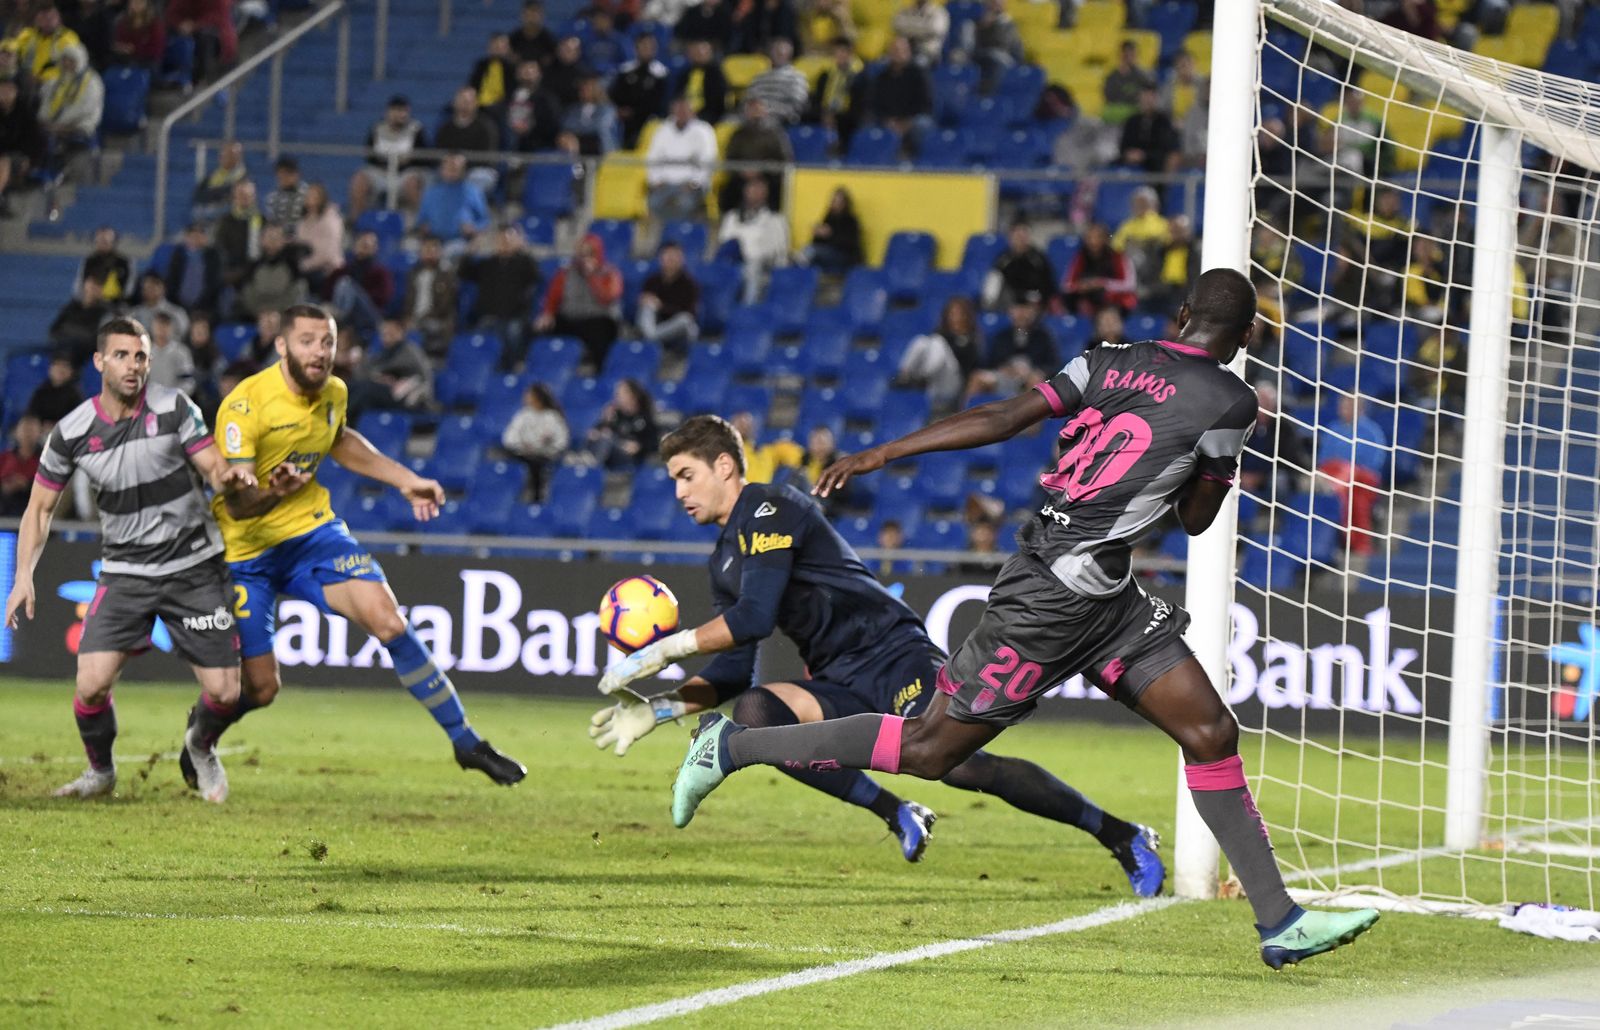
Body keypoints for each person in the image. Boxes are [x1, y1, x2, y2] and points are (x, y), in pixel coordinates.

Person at [660, 270, 1382, 969]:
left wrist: (885, 450)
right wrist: (1202, 470)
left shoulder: (1110, 359)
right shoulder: (1232, 401)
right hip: (1053, 599)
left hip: (1106, 595)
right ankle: (733, 747)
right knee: (932, 750)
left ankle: (1279, 920)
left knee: (1209, 730)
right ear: (1250, 331)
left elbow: (1004, 417)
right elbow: (1196, 520)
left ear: (1184, 312)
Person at [592, 414, 1167, 887]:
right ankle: (897, 811)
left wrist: (668, 648)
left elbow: (754, 617)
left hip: (895, 656)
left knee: (963, 768)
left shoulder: (773, 508)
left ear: (724, 466)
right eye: (672, 480)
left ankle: (1120, 833)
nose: (678, 492)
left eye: (686, 475)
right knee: (757, 714)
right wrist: (661, 708)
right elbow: (737, 668)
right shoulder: (724, 562)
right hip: (838, 677)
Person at [184, 304, 526, 791]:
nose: (320, 352)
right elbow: (235, 505)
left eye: (327, 341)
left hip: (312, 536)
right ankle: (200, 740)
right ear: (281, 346)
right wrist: (273, 491)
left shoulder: (335, 392)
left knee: (389, 620)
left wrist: (405, 480)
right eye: (307, 341)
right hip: (248, 554)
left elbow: (339, 440)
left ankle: (466, 741)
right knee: (260, 689)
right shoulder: (245, 406)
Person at [5, 318, 256, 802]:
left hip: (193, 567)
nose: (133, 365)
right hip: (125, 573)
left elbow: (213, 468)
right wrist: (23, 576)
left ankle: (200, 746)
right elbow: (39, 508)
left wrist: (231, 479)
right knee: (91, 685)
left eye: (140, 356)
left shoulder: (174, 407)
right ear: (99, 362)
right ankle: (100, 772)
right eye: (121, 355)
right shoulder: (73, 431)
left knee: (226, 693)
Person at [535, 232, 623, 369]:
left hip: (598, 318)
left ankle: (600, 370)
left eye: (590, 253)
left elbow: (609, 296)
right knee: (542, 329)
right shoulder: (565, 273)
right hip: (571, 317)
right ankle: (550, 372)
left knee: (600, 331)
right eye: (582, 254)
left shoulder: (610, 273)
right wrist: (548, 313)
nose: (585, 258)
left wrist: (593, 277)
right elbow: (552, 297)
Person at [460, 223, 542, 366]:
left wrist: (524, 250)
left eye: (508, 240)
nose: (504, 243)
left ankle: (513, 367)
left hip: (513, 316)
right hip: (489, 316)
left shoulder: (523, 263)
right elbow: (463, 273)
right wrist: (469, 252)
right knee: (477, 339)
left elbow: (536, 277)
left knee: (512, 334)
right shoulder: (488, 264)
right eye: (501, 240)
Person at [1314, 394, 1387, 554]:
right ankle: (1344, 542)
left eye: (1347, 406)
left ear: (1360, 408)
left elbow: (1375, 462)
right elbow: (1323, 460)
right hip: (1336, 477)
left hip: (1363, 479)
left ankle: (1335, 489)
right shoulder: (1333, 429)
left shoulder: (1372, 431)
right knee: (1353, 497)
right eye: (1342, 406)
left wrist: (1350, 470)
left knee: (1349, 479)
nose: (1343, 409)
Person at [348, 95, 427, 221]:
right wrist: (384, 163)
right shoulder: (377, 128)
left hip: (404, 173)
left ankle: (420, 223)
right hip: (380, 172)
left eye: (403, 111)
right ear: (388, 112)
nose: (399, 115)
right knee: (359, 180)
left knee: (412, 184)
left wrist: (404, 162)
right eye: (396, 111)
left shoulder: (416, 129)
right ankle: (356, 220)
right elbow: (369, 155)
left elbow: (423, 156)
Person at [897, 295, 982, 411]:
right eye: (952, 314)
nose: (956, 318)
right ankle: (905, 375)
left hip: (955, 384)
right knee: (921, 341)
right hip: (934, 384)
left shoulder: (972, 338)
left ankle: (920, 377)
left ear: (967, 316)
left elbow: (971, 362)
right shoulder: (942, 334)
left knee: (938, 343)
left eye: (959, 314)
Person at [646, 95, 718, 223]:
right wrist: (656, 180)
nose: (681, 113)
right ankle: (670, 231)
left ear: (692, 111)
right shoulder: (663, 130)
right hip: (665, 183)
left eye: (684, 110)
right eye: (678, 110)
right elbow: (653, 157)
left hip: (690, 184)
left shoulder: (703, 130)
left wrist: (695, 183)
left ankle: (679, 233)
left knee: (684, 204)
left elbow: (708, 159)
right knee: (654, 203)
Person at [718, 176, 789, 303]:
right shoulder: (732, 217)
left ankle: (748, 310)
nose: (755, 193)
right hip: (733, 263)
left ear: (766, 193)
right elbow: (725, 242)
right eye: (752, 189)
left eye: (760, 190)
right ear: (745, 192)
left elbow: (780, 250)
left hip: (762, 265)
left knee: (752, 269)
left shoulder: (775, 219)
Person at [972, 289, 1056, 394]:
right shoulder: (1001, 336)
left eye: (1025, 309)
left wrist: (1034, 371)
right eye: (1017, 309)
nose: (1021, 314)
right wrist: (1002, 368)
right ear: (1010, 312)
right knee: (977, 378)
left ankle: (1027, 410)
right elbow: (988, 363)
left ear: (1033, 312)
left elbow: (1052, 364)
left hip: (1029, 376)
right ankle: (966, 409)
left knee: (1036, 380)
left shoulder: (1042, 337)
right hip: (1004, 376)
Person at [718, 96, 789, 215]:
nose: (755, 113)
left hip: (768, 175)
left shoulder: (775, 134)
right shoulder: (738, 134)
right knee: (728, 190)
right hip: (742, 174)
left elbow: (784, 159)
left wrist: (762, 169)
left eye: (758, 109)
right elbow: (730, 157)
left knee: (778, 190)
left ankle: (774, 219)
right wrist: (742, 170)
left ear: (764, 111)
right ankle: (730, 222)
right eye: (752, 110)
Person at [414, 153, 490, 260]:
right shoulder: (431, 192)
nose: (452, 171)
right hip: (433, 241)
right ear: (442, 169)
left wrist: (474, 228)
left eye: (456, 168)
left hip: (459, 241)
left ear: (463, 170)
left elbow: (484, 221)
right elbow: (421, 221)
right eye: (448, 167)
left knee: (452, 252)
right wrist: (423, 228)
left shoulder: (472, 192)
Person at [501, 383, 569, 500]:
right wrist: (521, 445)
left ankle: (537, 497)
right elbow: (509, 437)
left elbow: (562, 441)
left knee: (537, 464)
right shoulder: (523, 415)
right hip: (523, 453)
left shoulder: (552, 417)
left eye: (529, 394)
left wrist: (546, 445)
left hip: (545, 454)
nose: (526, 397)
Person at [433, 87, 501, 196]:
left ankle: (466, 212)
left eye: (469, 101)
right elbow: (439, 152)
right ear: (455, 103)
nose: (465, 104)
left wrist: (462, 166)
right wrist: (450, 166)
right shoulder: (445, 128)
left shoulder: (486, 127)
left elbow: (487, 157)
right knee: (430, 179)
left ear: (476, 104)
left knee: (476, 180)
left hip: (479, 170)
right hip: (450, 169)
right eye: (462, 101)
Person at [865, 36, 932, 147]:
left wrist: (907, 122)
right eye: (895, 50)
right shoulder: (882, 77)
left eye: (902, 50)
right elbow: (874, 103)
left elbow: (925, 104)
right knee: (867, 125)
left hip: (912, 119)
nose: (898, 53)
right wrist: (887, 121)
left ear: (909, 52)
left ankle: (917, 158)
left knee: (923, 124)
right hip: (888, 120)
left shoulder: (919, 75)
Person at [1061, 223, 1137, 316]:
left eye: (1097, 237)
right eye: (1089, 237)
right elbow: (1067, 285)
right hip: (1089, 299)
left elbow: (1129, 284)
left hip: (1115, 301)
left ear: (1105, 239)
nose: (1093, 241)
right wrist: (1082, 286)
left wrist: (1102, 283)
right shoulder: (1080, 257)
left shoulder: (1118, 257)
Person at [609, 31, 669, 149]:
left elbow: (660, 102)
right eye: (643, 46)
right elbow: (616, 94)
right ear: (636, 48)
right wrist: (621, 109)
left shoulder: (661, 73)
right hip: (624, 118)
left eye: (649, 46)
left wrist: (634, 111)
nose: (646, 49)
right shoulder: (625, 70)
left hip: (649, 118)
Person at [637, 240, 700, 350]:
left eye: (675, 256)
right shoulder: (652, 280)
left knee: (685, 320)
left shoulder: (689, 283)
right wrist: (645, 301)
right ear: (660, 258)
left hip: (677, 325)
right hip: (658, 322)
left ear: (682, 259)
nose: (671, 259)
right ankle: (651, 336)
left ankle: (650, 337)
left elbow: (690, 313)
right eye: (667, 255)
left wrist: (661, 306)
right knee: (647, 306)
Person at [401, 235, 459, 355]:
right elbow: (408, 301)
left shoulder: (447, 275)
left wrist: (418, 320)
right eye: (427, 249)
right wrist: (407, 318)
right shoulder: (413, 274)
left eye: (434, 249)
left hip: (438, 321)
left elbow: (444, 306)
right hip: (413, 320)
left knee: (426, 328)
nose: (430, 253)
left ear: (440, 252)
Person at [236, 225, 307, 320]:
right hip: (257, 315)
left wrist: (278, 311)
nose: (272, 241)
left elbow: (297, 290)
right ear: (262, 240)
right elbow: (248, 292)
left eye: (276, 238)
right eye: (269, 237)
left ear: (283, 241)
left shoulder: (292, 266)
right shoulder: (253, 267)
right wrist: (261, 312)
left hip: (285, 315)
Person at [586, 378, 659, 469]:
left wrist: (639, 447)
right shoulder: (615, 415)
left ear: (632, 396)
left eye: (620, 394)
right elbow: (596, 431)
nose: (617, 397)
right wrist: (605, 421)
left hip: (630, 458)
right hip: (611, 451)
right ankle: (592, 462)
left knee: (607, 439)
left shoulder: (644, 418)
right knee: (605, 438)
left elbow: (653, 443)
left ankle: (592, 464)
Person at [0, 75, 44, 218]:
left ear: (16, 92)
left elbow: (36, 141)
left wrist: (31, 161)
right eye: (2, 90)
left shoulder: (25, 114)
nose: (4, 94)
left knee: (4, 162)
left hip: (20, 157)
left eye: (8, 90)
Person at [983, 222, 1053, 311]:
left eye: (1023, 236)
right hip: (1009, 304)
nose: (1020, 239)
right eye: (1017, 236)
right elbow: (993, 282)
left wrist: (1038, 298)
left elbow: (1048, 284)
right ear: (1010, 238)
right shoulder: (1003, 259)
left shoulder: (1038, 259)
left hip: (1034, 302)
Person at [166, 221, 223, 317]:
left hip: (205, 307)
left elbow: (214, 284)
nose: (196, 238)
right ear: (186, 237)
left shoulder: (213, 256)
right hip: (177, 306)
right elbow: (172, 282)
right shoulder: (178, 255)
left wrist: (202, 305)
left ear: (205, 238)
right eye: (192, 235)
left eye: (200, 234)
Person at [49, 274, 111, 364]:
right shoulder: (72, 306)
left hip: (83, 353)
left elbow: (94, 337)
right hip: (62, 348)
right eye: (91, 284)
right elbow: (53, 330)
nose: (92, 289)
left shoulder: (105, 311)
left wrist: (69, 332)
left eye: (97, 286)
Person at [744, 39, 808, 125]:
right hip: (752, 116)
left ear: (789, 55)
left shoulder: (796, 77)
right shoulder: (759, 78)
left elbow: (797, 106)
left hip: (779, 118)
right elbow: (747, 100)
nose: (779, 55)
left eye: (781, 52)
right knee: (728, 121)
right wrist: (751, 110)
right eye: (776, 51)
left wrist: (767, 110)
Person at [506, 60, 563, 153]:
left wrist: (529, 128)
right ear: (517, 73)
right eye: (524, 69)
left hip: (537, 146)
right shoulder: (508, 96)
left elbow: (552, 125)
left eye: (532, 69)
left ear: (539, 74)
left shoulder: (548, 99)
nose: (528, 73)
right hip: (510, 143)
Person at [802, 185, 862, 274]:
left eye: (839, 201)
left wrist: (830, 235)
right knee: (810, 251)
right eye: (834, 201)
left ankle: (799, 264)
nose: (836, 204)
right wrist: (818, 234)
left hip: (844, 256)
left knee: (812, 252)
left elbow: (849, 244)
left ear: (845, 204)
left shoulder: (851, 221)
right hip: (827, 252)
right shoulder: (829, 217)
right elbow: (817, 243)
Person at [294, 183, 345, 286]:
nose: (310, 199)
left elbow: (328, 252)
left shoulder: (331, 220)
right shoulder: (303, 221)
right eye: (308, 196)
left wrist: (305, 265)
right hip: (307, 267)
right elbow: (299, 244)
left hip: (328, 269)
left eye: (314, 196)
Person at [561, 73, 622, 156]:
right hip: (578, 142)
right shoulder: (574, 109)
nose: (583, 90)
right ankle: (574, 167)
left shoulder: (607, 109)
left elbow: (599, 126)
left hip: (598, 144)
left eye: (587, 88)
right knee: (567, 140)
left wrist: (579, 128)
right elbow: (567, 125)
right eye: (582, 88)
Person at [672, 38, 728, 125]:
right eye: (695, 51)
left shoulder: (716, 74)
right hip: (684, 114)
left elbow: (718, 101)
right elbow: (677, 96)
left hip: (708, 116)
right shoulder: (684, 74)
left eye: (701, 51)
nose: (698, 54)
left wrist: (696, 115)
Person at [1102, 39, 1154, 126]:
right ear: (1122, 55)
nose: (1131, 57)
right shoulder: (1111, 77)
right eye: (1128, 54)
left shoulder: (1144, 76)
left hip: (1137, 115)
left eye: (1133, 54)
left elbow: (1149, 97)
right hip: (1116, 115)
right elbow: (1109, 98)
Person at [147, 310, 198, 394]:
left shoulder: (181, 351)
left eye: (165, 325)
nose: (161, 330)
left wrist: (174, 397)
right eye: (158, 325)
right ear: (152, 327)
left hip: (175, 401)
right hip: (148, 400)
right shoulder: (145, 351)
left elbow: (188, 381)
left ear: (171, 328)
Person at [26, 353, 83, 427]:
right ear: (50, 369)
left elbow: (77, 422)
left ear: (71, 372)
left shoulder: (75, 395)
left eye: (65, 366)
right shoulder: (41, 391)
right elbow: (31, 415)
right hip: (40, 432)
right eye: (57, 365)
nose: (60, 369)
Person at [469, 32, 518, 118]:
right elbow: (473, 85)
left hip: (502, 106)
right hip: (480, 104)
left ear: (507, 48)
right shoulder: (481, 65)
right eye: (495, 46)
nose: (497, 49)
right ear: (489, 47)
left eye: (501, 47)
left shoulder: (512, 68)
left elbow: (512, 92)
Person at [78, 226, 132, 303]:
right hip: (92, 303)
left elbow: (128, 291)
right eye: (100, 240)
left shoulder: (124, 262)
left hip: (116, 305)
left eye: (106, 241)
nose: (103, 243)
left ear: (113, 242)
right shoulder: (89, 261)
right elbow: (80, 287)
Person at [891, 0, 948, 65]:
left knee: (918, 63)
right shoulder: (905, 10)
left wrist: (910, 28)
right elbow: (897, 25)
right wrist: (922, 27)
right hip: (905, 50)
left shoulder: (939, 12)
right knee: (887, 63)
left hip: (927, 52)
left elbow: (935, 30)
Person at [262, 156, 309, 234]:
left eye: (287, 174)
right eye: (280, 174)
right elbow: (271, 222)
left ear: (296, 174)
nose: (283, 178)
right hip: (280, 239)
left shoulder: (308, 194)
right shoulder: (272, 198)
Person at [509, 0, 557, 66]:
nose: (531, 19)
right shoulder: (513, 39)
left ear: (542, 16)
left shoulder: (550, 40)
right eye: (528, 15)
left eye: (534, 15)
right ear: (522, 16)